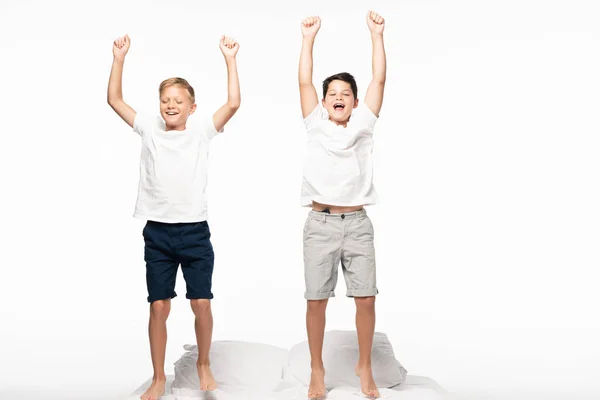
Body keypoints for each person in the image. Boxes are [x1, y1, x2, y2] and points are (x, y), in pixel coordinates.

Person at [107, 33, 241, 400]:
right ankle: (158, 376)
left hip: (195, 231)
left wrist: (230, 60)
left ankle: (203, 363)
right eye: (165, 100)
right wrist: (119, 58)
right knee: (159, 305)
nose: (170, 105)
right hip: (158, 233)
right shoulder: (149, 126)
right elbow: (114, 100)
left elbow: (233, 102)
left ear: (191, 107)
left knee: (201, 302)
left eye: (178, 101)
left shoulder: (201, 131)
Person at [298, 10, 387, 399]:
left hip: (357, 223)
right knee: (316, 300)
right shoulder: (315, 122)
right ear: (323, 102)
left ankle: (364, 365)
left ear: (354, 101)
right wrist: (308, 39)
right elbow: (303, 79)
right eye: (332, 93)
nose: (338, 98)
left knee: (365, 297)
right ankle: (317, 368)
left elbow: (379, 79)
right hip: (319, 224)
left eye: (345, 94)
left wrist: (376, 35)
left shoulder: (363, 124)